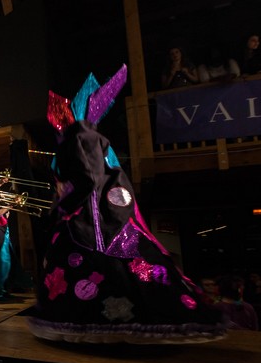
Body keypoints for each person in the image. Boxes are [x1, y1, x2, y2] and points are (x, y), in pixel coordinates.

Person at [30, 64, 226, 343]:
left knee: (106, 262)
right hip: (100, 210)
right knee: (117, 263)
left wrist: (63, 203)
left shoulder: (80, 138)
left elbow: (88, 178)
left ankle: (106, 318)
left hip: (90, 216)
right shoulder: (89, 137)